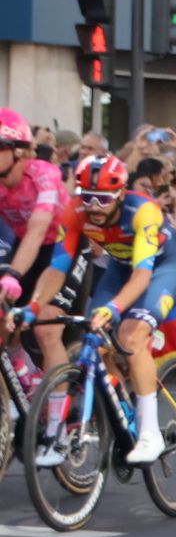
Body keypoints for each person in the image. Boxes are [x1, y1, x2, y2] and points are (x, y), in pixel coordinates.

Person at [23, 156, 176, 465]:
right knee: (92, 341)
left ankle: (150, 431)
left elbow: (142, 276)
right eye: (88, 197)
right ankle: (118, 407)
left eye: (103, 199)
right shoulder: (75, 211)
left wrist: (114, 308)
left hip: (162, 269)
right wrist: (34, 305)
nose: (94, 206)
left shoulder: (143, 210)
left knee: (131, 336)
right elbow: (58, 269)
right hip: (120, 269)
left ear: (121, 194)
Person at [0, 109, 79, 372]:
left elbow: (37, 229)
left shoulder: (44, 175)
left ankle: (57, 413)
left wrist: (12, 274)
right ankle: (24, 377)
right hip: (28, 250)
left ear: (19, 151)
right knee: (4, 316)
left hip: (65, 248)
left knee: (47, 327)